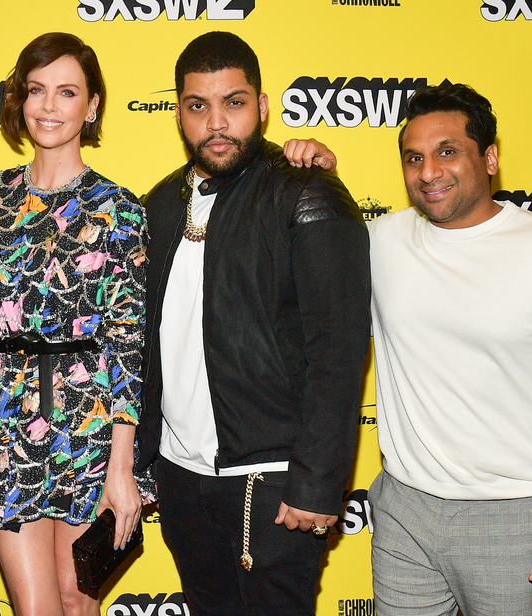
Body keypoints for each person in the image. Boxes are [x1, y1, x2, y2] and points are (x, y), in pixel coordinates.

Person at [368, 83, 532, 615]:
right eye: (414, 158)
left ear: (489, 158)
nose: (428, 172)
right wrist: (306, 166)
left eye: (447, 152)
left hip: (513, 517)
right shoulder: (379, 241)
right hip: (402, 510)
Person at [136, 31, 371, 616]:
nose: (216, 122)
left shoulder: (305, 192)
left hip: (272, 483)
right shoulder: (159, 205)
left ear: (262, 107)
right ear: (178, 113)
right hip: (181, 479)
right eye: (198, 105)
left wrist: (317, 483)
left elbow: (338, 351)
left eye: (234, 103)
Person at [0, 33, 153, 616]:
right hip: (8, 419)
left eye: (66, 92)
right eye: (36, 89)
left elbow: (127, 342)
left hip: (90, 425)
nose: (48, 106)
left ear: (91, 106)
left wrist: (122, 468)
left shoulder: (119, 209)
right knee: (36, 609)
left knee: (76, 599)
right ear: (19, 99)